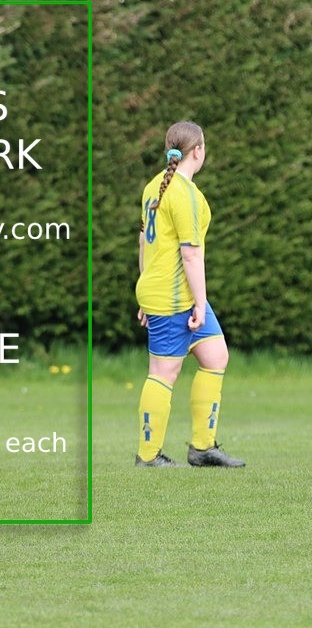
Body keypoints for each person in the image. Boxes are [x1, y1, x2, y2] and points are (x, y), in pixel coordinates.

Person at [134, 121, 244, 468]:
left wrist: (144, 288)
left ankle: (202, 448)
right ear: (198, 151)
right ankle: (148, 456)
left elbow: (143, 241)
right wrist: (199, 303)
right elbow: (191, 254)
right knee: (163, 372)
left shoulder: (154, 187)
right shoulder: (186, 194)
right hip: (174, 297)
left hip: (166, 290)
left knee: (215, 356)